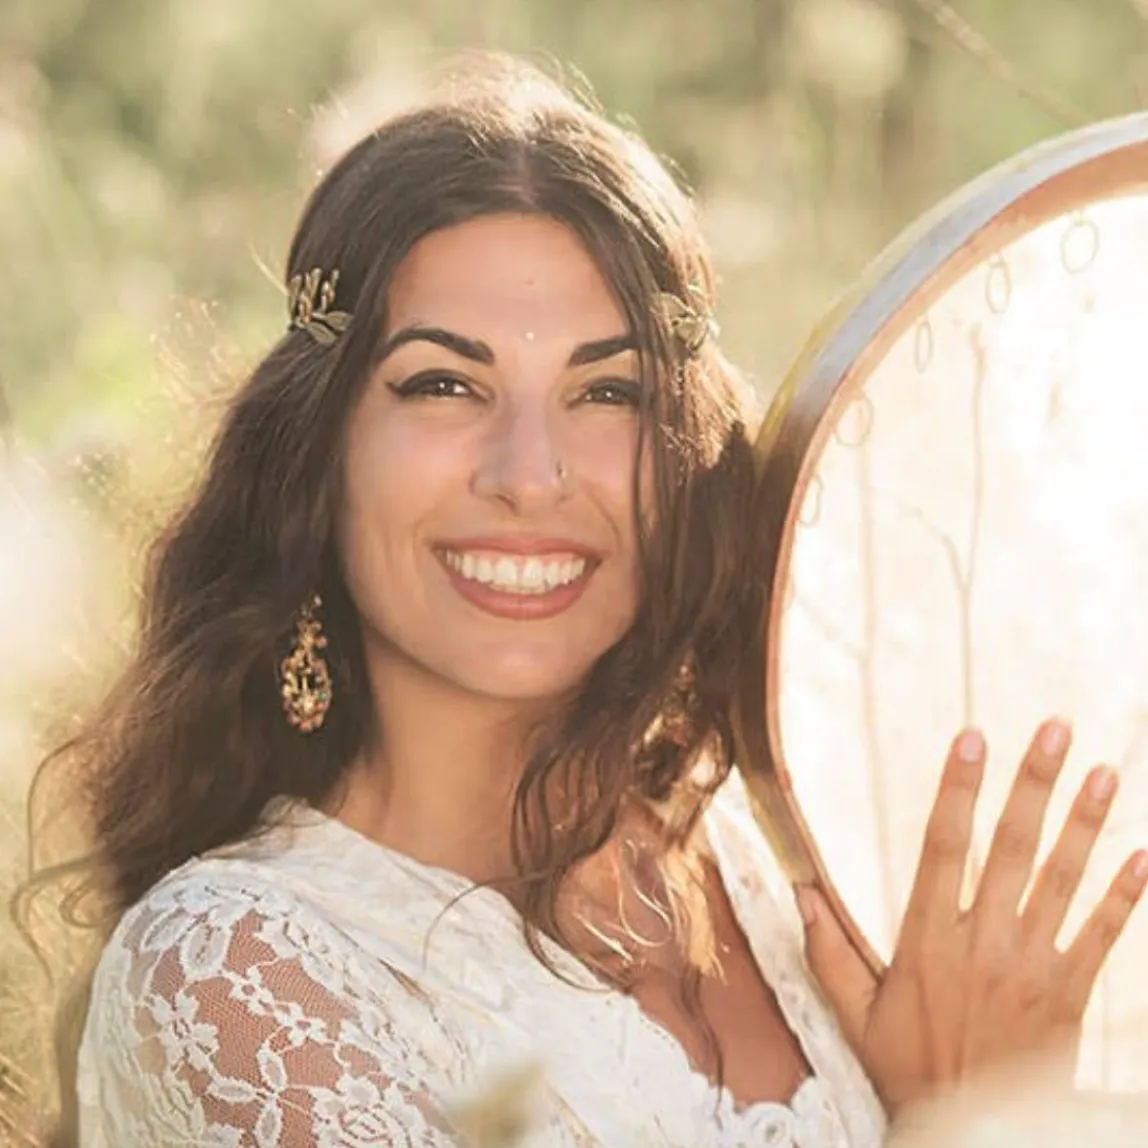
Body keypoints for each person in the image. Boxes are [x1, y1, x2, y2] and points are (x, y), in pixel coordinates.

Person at [18, 56, 1146, 1148]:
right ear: (313, 452)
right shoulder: (231, 980)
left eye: (607, 390)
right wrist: (966, 1115)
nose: (531, 473)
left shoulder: (763, 852)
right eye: (444, 384)